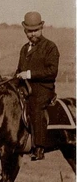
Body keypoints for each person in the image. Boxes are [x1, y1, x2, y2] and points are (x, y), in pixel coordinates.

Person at [16, 12, 59, 161]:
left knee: (35, 106)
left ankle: (39, 147)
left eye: (35, 30)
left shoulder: (50, 47)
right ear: (25, 31)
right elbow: (19, 70)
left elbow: (52, 71)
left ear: (41, 28)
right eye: (29, 31)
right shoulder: (23, 49)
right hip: (25, 87)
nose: (32, 34)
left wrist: (29, 74)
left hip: (43, 88)